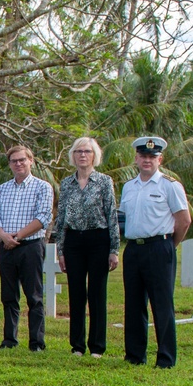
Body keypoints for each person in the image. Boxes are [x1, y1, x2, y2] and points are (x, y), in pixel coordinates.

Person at [121, 136, 192, 368]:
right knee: (133, 305)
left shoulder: (170, 185)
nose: (147, 160)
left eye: (152, 157)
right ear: (136, 158)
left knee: (162, 306)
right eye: (143, 156)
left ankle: (165, 358)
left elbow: (184, 220)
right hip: (133, 249)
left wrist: (171, 245)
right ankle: (134, 356)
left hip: (160, 247)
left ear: (160, 159)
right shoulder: (128, 187)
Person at [53, 137, 119, 358]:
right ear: (73, 155)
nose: (83, 155)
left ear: (94, 155)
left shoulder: (104, 182)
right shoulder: (67, 184)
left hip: (98, 240)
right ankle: (77, 346)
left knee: (97, 293)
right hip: (74, 242)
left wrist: (114, 250)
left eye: (87, 151)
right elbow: (61, 219)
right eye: (79, 151)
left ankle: (97, 346)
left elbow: (111, 216)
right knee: (76, 293)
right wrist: (60, 251)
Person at [0, 146, 53, 351]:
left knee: (33, 296)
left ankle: (36, 342)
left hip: (31, 246)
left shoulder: (42, 187)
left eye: (22, 160)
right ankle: (9, 339)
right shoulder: (2, 189)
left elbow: (43, 217)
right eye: (14, 161)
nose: (18, 164)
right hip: (7, 247)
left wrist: (18, 235)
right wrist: (3, 236)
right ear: (9, 164)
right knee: (8, 296)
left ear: (31, 161)